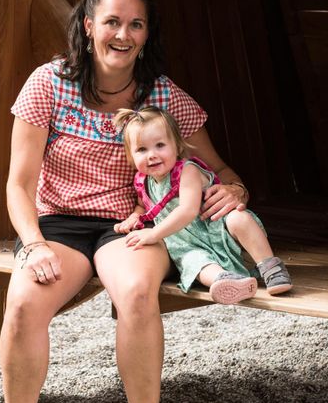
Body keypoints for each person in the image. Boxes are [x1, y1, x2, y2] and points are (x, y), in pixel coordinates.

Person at [0, 0, 252, 403]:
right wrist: (34, 244)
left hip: (134, 226)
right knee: (22, 302)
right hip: (58, 224)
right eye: (112, 22)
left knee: (136, 292)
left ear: (146, 34)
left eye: (136, 24)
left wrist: (235, 189)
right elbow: (18, 184)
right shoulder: (49, 84)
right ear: (88, 26)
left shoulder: (163, 96)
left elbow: (219, 169)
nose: (123, 34)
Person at [113, 106, 292, 305]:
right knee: (193, 262)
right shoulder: (143, 181)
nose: (152, 155)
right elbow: (143, 205)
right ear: (131, 156)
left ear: (178, 146)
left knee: (239, 218)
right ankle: (225, 280)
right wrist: (134, 216)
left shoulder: (187, 171)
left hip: (216, 227)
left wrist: (154, 234)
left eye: (160, 145)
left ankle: (271, 268)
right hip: (187, 243)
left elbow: (188, 210)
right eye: (142, 150)